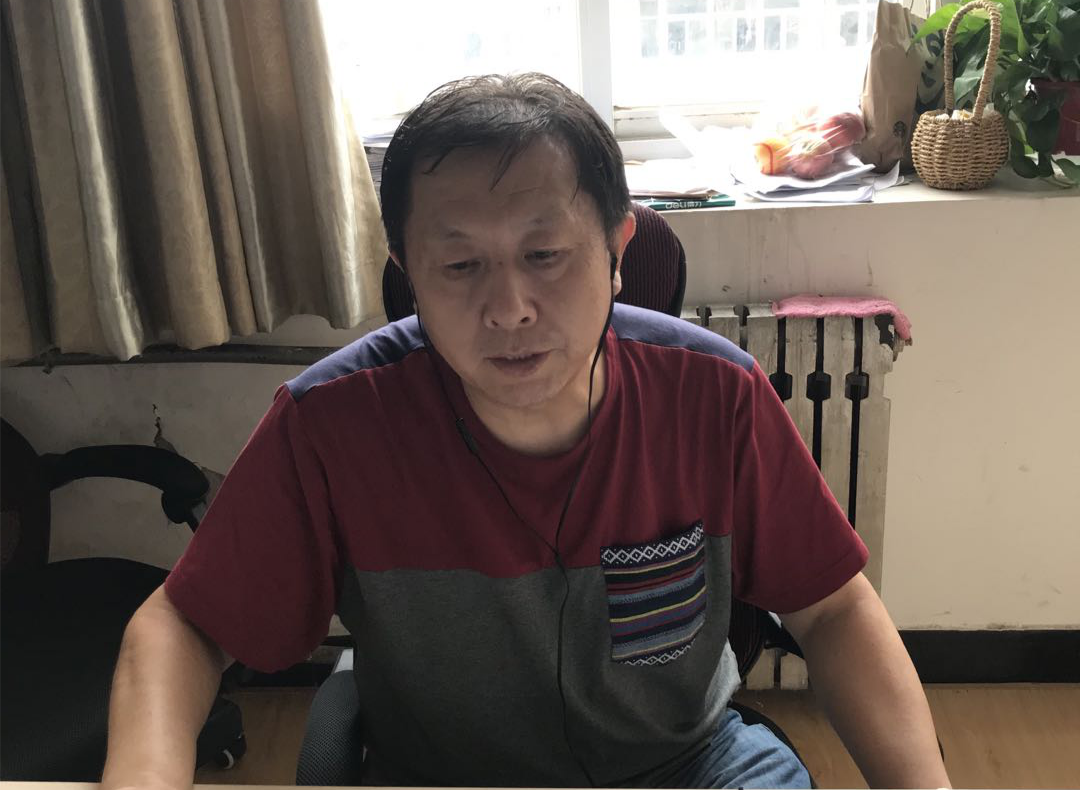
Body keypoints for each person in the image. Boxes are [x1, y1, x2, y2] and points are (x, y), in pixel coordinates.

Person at [102, 73, 950, 789]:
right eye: (460, 265)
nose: (508, 309)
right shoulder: (331, 425)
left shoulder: (713, 396)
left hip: (688, 767)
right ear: (408, 272)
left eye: (546, 256)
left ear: (617, 250)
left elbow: (833, 610)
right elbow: (184, 626)